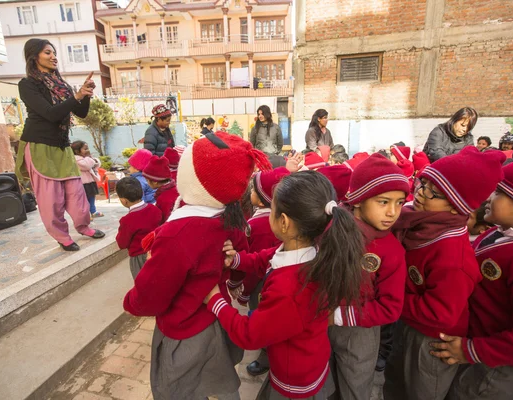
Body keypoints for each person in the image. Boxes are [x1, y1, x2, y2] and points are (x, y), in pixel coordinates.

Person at [123, 132, 272, 400]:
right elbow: (241, 259)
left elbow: (150, 297)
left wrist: (131, 302)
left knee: (182, 389)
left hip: (184, 329)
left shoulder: (178, 233)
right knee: (223, 382)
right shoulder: (229, 217)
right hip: (217, 316)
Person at [204, 170, 365, 399]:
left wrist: (215, 300)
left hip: (294, 382)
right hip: (308, 358)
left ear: (284, 222)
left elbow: (250, 335)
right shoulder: (310, 251)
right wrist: (237, 259)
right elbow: (266, 259)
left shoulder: (290, 290)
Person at [430, 154, 513, 400]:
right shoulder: (499, 233)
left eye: (500, 193)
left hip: (500, 368)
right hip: (481, 354)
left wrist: (473, 350)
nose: (489, 198)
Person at [383, 147, 505, 400]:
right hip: (407, 322)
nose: (421, 193)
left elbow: (440, 313)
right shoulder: (417, 223)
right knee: (395, 384)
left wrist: (389, 299)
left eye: (433, 192)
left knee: (420, 391)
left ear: (456, 206)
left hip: (431, 342)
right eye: (423, 183)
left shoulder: (452, 256)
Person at [328, 153, 409, 400]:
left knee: (355, 386)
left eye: (400, 202)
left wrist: (339, 316)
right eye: (384, 202)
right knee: (324, 382)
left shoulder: (391, 250)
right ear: (359, 200)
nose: (393, 212)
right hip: (321, 320)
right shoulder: (332, 229)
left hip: (360, 331)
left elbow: (390, 308)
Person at [14, 38, 104, 252]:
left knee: (76, 192)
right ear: (34, 56)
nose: (54, 57)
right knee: (50, 198)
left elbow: (79, 112)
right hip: (39, 146)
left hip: (62, 145)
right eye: (47, 53)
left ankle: (83, 226)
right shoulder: (27, 85)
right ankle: (62, 236)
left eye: (54, 53)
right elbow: (50, 114)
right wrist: (77, 95)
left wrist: (85, 94)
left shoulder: (61, 85)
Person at [240, 167, 291, 377]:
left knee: (263, 319)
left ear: (262, 201)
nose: (249, 193)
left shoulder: (257, 224)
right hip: (280, 277)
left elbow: (255, 266)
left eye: (253, 190)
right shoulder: (282, 219)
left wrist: (243, 291)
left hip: (262, 283)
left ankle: (266, 357)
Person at [115, 177, 162, 279]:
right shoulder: (154, 209)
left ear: (124, 201)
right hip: (157, 251)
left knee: (142, 283)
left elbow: (122, 243)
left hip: (139, 257)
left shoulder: (127, 220)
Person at [71, 141, 103, 220]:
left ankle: (93, 211)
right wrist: (89, 158)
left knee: (92, 197)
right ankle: (85, 214)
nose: (87, 150)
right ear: (77, 151)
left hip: (90, 182)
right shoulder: (76, 159)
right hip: (83, 183)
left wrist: (93, 160)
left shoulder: (85, 158)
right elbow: (87, 166)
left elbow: (95, 164)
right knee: (83, 199)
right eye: (85, 149)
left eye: (88, 148)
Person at [142, 155, 179, 224]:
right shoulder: (175, 188)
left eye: (147, 180)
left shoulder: (164, 198)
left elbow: (164, 221)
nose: (147, 183)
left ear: (155, 182)